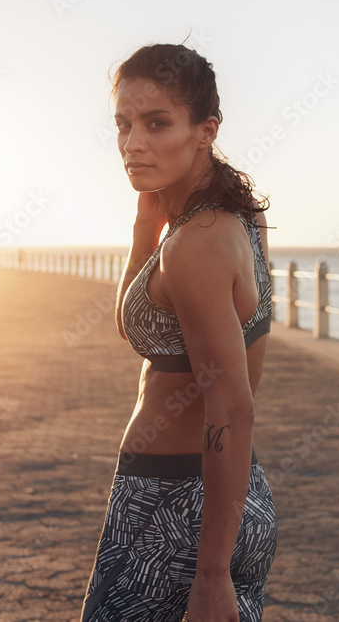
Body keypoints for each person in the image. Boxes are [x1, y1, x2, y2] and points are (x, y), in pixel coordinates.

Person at [80, 43, 277, 621]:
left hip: (175, 512)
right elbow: (133, 323)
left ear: (205, 130)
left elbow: (232, 408)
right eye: (123, 125)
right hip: (230, 496)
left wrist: (212, 575)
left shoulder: (196, 246)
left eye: (157, 123)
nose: (132, 143)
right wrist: (146, 221)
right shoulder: (236, 217)